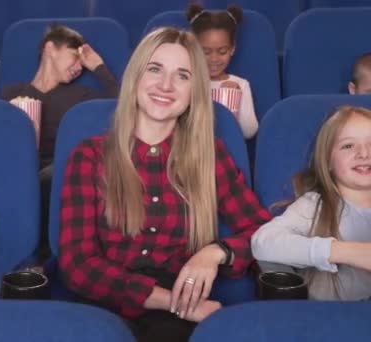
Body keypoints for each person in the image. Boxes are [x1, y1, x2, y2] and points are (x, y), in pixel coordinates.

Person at [58, 27, 271, 342]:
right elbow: (77, 264)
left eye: (182, 76)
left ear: (193, 92)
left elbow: (264, 232)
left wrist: (215, 253)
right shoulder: (90, 156)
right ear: (135, 79)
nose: (166, 85)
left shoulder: (210, 156)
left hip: (174, 313)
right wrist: (173, 302)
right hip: (102, 305)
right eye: (155, 69)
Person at [2, 24, 119, 258]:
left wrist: (97, 66)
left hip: (61, 168)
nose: (78, 67)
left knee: (49, 177)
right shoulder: (11, 94)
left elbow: (120, 104)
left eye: (82, 64)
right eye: (75, 57)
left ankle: (44, 255)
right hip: (20, 167)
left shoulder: (81, 95)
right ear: (50, 48)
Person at [252, 106, 371, 301]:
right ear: (328, 161)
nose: (364, 154)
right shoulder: (314, 206)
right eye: (348, 146)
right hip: (325, 319)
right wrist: (347, 252)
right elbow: (262, 243)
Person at [186, 4, 257, 139]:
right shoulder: (187, 81)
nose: (214, 59)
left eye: (222, 51)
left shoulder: (240, 84)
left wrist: (235, 98)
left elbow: (249, 132)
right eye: (206, 52)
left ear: (232, 49)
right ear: (194, 49)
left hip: (227, 150)